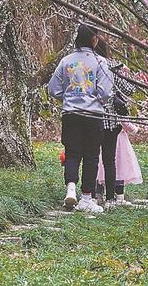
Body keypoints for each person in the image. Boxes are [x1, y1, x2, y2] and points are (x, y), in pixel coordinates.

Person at [48, 24, 114, 212]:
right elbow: (105, 92)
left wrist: (69, 96)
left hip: (70, 114)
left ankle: (70, 189)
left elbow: (53, 88)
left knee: (72, 153)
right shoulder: (101, 62)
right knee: (91, 156)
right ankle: (86, 198)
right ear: (94, 40)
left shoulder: (66, 61)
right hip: (93, 115)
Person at [94, 39, 139, 208]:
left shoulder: (84, 65)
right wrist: (125, 72)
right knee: (109, 159)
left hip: (90, 117)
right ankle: (111, 198)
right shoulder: (112, 67)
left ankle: (91, 195)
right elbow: (129, 90)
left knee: (92, 158)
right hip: (110, 121)